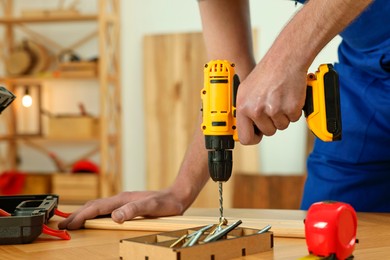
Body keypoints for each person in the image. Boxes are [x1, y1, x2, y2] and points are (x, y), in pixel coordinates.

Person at [59, 0, 389, 230]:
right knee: (325, 231)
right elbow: (229, 77)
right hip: (366, 82)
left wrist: (286, 59)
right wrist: (181, 190)